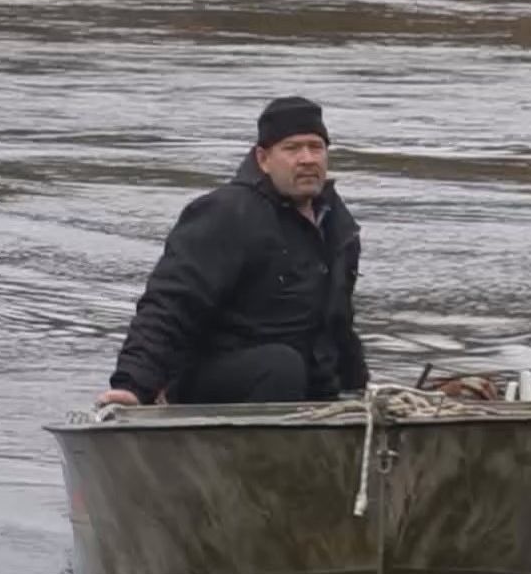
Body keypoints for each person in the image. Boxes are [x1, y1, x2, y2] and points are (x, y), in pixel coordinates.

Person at [96, 97, 369, 407]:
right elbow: (171, 304)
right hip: (216, 378)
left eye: (315, 147)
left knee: (317, 377)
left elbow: (337, 323)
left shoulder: (337, 225)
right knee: (281, 366)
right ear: (263, 159)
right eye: (292, 149)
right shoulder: (226, 214)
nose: (307, 158)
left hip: (301, 379)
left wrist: (360, 391)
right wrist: (133, 384)